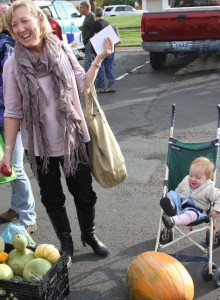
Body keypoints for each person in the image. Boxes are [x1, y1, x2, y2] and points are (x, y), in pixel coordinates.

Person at [1, 0, 114, 267]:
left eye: (24, 20)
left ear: (39, 19)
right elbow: (13, 111)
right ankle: (66, 243)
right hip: (39, 147)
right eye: (13, 25)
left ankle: (90, 235)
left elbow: (83, 86)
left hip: (72, 139)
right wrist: (7, 153)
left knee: (84, 193)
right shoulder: (13, 65)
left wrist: (98, 60)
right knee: (52, 198)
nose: (19, 28)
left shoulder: (61, 48)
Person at [0, 3, 37, 234]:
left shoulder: (8, 46)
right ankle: (16, 208)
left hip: (9, 117)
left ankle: (28, 217)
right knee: (9, 167)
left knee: (15, 167)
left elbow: (10, 87)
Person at [160, 157, 220, 229]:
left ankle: (172, 221)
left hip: (195, 210)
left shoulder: (209, 188)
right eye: (191, 175)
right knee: (172, 194)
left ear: (207, 178)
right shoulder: (186, 180)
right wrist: (174, 199)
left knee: (190, 214)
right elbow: (178, 191)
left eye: (197, 178)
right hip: (179, 204)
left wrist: (215, 211)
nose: (192, 179)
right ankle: (171, 208)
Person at [91, 7, 115, 93]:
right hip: (109, 47)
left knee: (100, 68)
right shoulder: (108, 23)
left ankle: (100, 86)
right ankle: (111, 84)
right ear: (103, 14)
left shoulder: (94, 24)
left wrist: (92, 52)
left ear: (95, 14)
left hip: (100, 49)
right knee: (109, 67)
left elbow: (94, 38)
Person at [78, 1, 95, 71]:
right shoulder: (87, 17)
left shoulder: (92, 16)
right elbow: (87, 26)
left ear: (85, 8)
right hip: (86, 41)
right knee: (91, 60)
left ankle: (88, 77)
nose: (80, 9)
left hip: (89, 41)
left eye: (80, 8)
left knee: (87, 62)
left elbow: (94, 28)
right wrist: (82, 28)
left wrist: (91, 39)